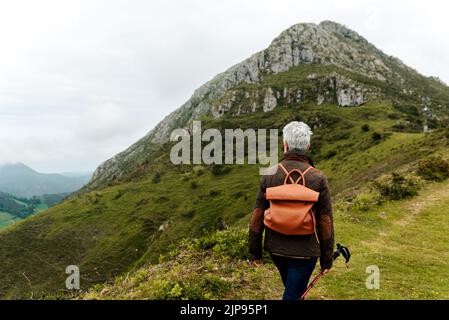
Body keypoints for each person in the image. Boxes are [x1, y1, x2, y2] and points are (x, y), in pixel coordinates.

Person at [248, 121, 334, 300]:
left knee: (293, 291)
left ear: (285, 145)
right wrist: (327, 258)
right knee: (294, 293)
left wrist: (254, 252)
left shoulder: (269, 174)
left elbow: (257, 215)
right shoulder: (318, 177)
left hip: (275, 248)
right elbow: (325, 220)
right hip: (305, 252)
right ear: (308, 146)